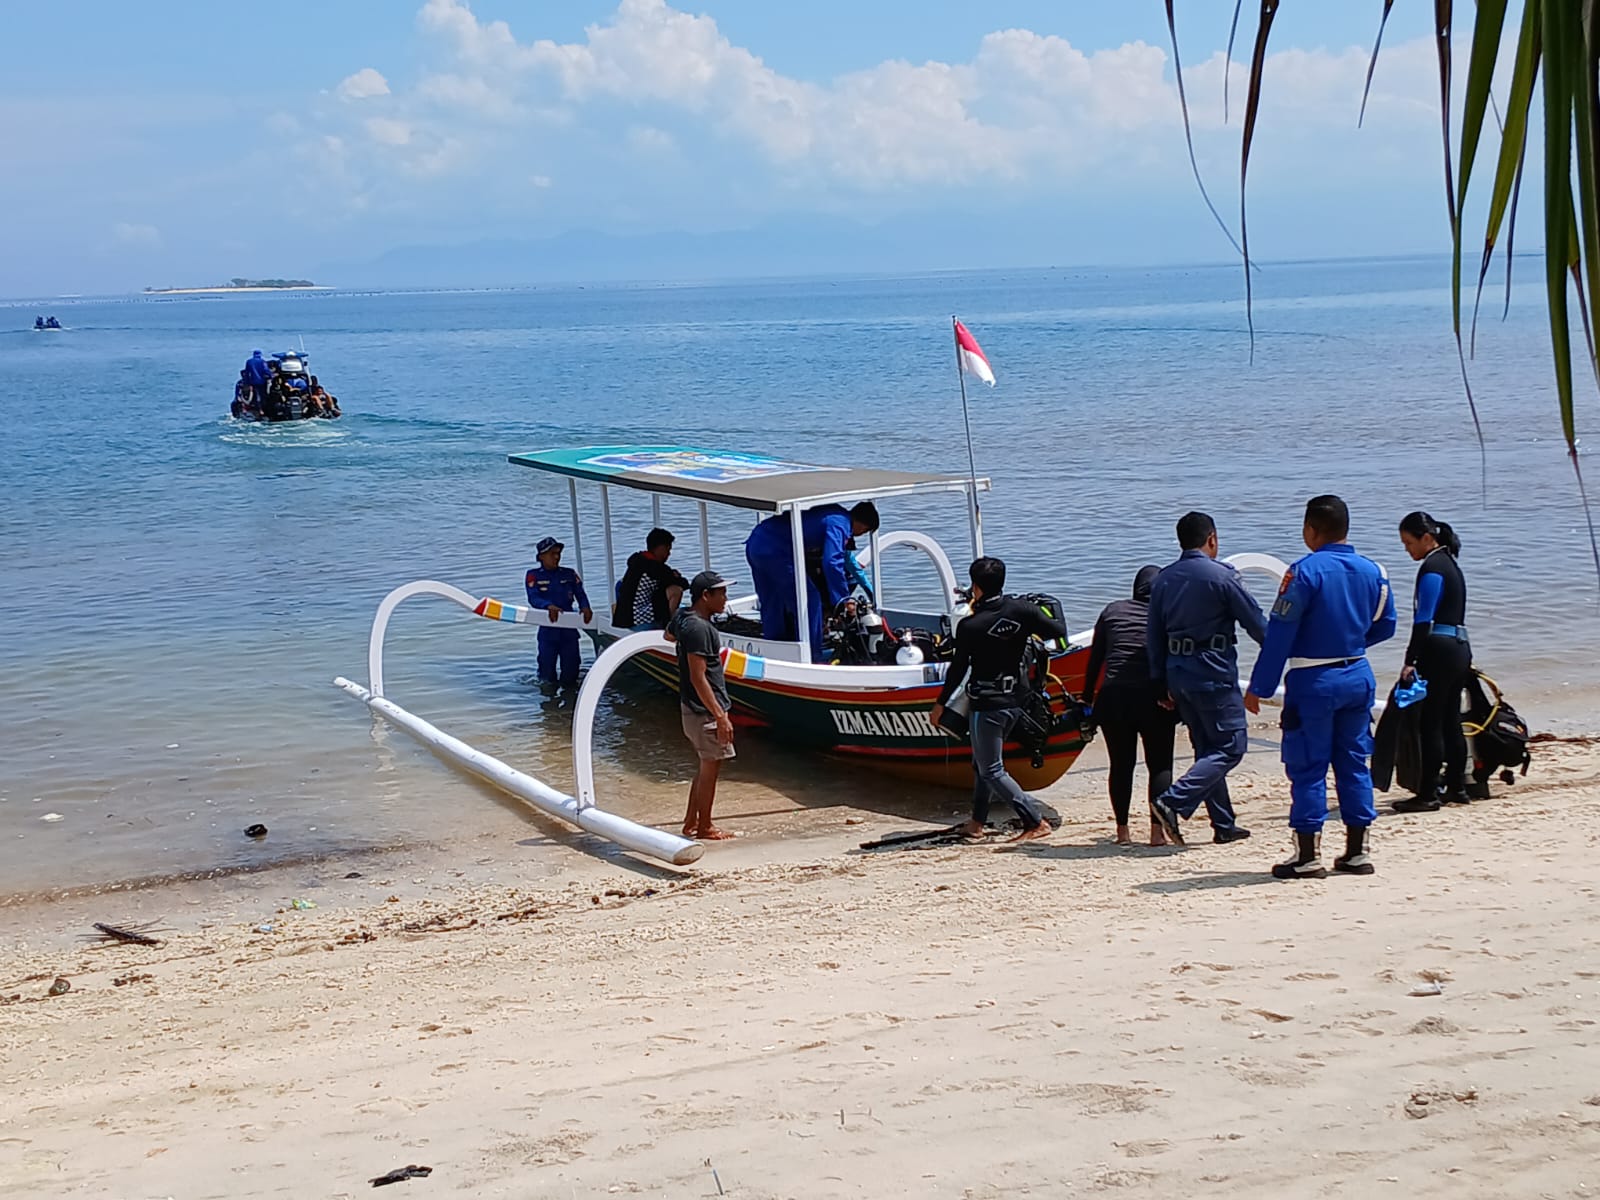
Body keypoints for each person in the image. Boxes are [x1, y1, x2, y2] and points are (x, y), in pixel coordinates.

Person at [1245, 495, 1398, 878]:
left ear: (1311, 530)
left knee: (1308, 765)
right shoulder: (1374, 571)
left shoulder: (1304, 573)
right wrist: (1350, 641)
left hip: (1314, 679)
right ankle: (1357, 851)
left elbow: (1279, 634)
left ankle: (1307, 855)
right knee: (1353, 762)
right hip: (1358, 673)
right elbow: (1387, 624)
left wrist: (1259, 686)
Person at [1147, 511, 1267, 846]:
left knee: (1207, 751)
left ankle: (1223, 825)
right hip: (1212, 671)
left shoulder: (1163, 580)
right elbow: (1256, 624)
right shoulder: (1222, 577)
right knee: (1231, 746)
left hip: (1177, 674)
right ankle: (1171, 801)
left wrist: (1160, 681)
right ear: (1211, 538)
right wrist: (1281, 654)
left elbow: (1153, 636)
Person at [929, 556, 1068, 844]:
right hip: (1017, 700)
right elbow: (1057, 632)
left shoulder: (970, 626)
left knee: (991, 769)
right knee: (983, 765)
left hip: (988, 704)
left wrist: (941, 703)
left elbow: (957, 670)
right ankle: (977, 823)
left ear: (975, 587)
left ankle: (1034, 820)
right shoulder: (1022, 610)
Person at [1083, 565, 1177, 846]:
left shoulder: (1113, 611)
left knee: (1121, 765)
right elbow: (1174, 659)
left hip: (1114, 699)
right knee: (1160, 765)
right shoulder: (1167, 614)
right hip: (1154, 697)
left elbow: (1095, 659)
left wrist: (1087, 698)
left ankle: (1122, 832)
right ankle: (1156, 833)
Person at [1394, 510, 1472, 811]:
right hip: (1460, 646)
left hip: (1438, 648)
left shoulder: (1432, 568)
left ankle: (1427, 794)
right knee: (1451, 718)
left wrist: (1410, 659)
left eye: (1408, 543)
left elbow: (1423, 618)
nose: (1407, 550)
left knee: (1431, 723)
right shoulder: (1451, 563)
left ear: (1427, 538)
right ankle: (1457, 786)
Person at [745, 501, 880, 660]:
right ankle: (812, 656)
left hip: (756, 542)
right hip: (777, 550)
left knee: (772, 601)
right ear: (863, 525)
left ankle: (774, 650)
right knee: (809, 599)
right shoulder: (841, 523)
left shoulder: (834, 512)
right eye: (863, 532)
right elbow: (832, 562)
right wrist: (844, 600)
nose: (859, 535)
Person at [665, 570, 737, 841]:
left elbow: (668, 636)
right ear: (706, 596)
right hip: (704, 709)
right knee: (711, 767)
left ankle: (691, 822)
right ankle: (705, 826)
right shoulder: (700, 628)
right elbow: (698, 677)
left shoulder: (684, 617)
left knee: (705, 765)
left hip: (692, 707)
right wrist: (720, 716)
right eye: (721, 593)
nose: (725, 599)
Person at [524, 536, 592, 690]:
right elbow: (533, 598)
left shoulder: (568, 574)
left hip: (569, 631)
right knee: (547, 677)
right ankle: (549, 708)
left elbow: (580, 594)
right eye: (551, 553)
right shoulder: (533, 575)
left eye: (558, 553)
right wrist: (548, 606)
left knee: (571, 674)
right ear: (541, 557)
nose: (556, 557)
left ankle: (571, 709)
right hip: (548, 630)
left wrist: (585, 607)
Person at [614, 528, 689, 629]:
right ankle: (669, 627)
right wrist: (674, 575)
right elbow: (683, 584)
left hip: (622, 617)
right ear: (660, 548)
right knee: (676, 590)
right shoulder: (654, 567)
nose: (669, 554)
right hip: (636, 618)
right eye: (668, 549)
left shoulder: (638, 561)